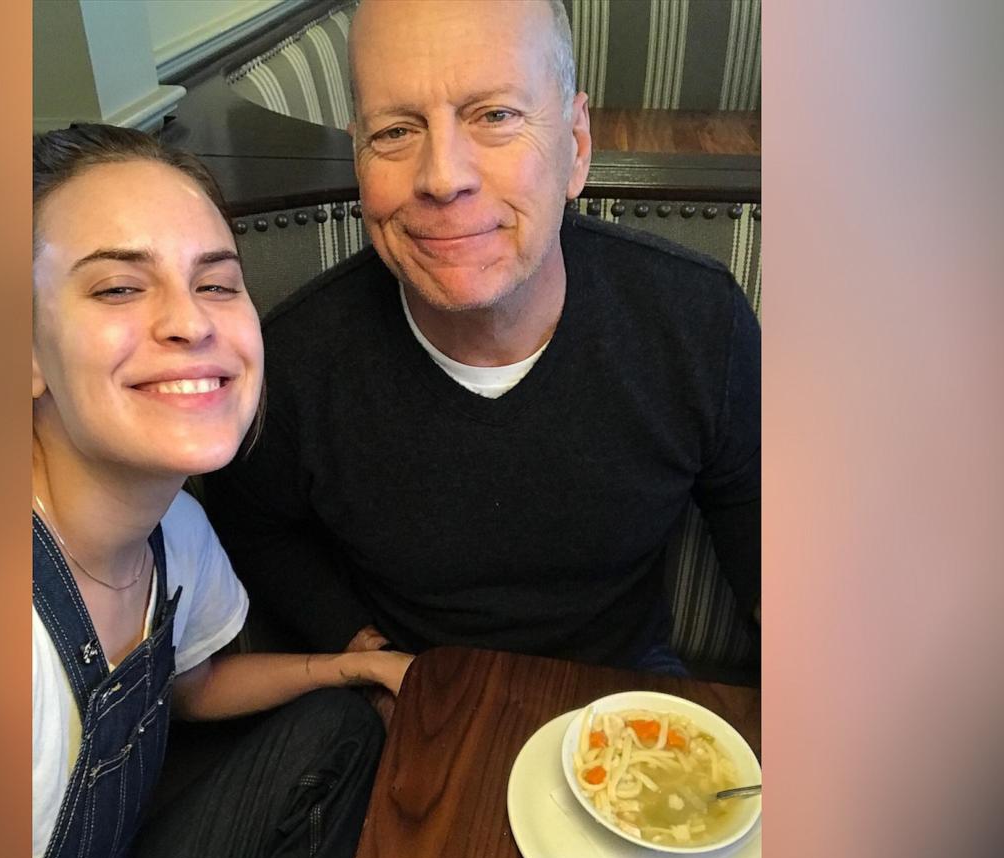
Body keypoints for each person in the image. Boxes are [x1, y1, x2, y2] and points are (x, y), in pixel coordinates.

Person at [203, 0, 760, 673]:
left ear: (576, 148)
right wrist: (362, 651)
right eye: (395, 131)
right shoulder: (295, 362)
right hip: (421, 711)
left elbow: (763, 539)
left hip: (629, 702)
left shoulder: (695, 322)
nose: (442, 178)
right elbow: (256, 526)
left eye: (495, 116)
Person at [30, 123, 411, 858]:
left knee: (338, 723)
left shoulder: (176, 530)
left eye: (215, 282)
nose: (192, 322)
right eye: (118, 287)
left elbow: (191, 686)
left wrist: (354, 666)